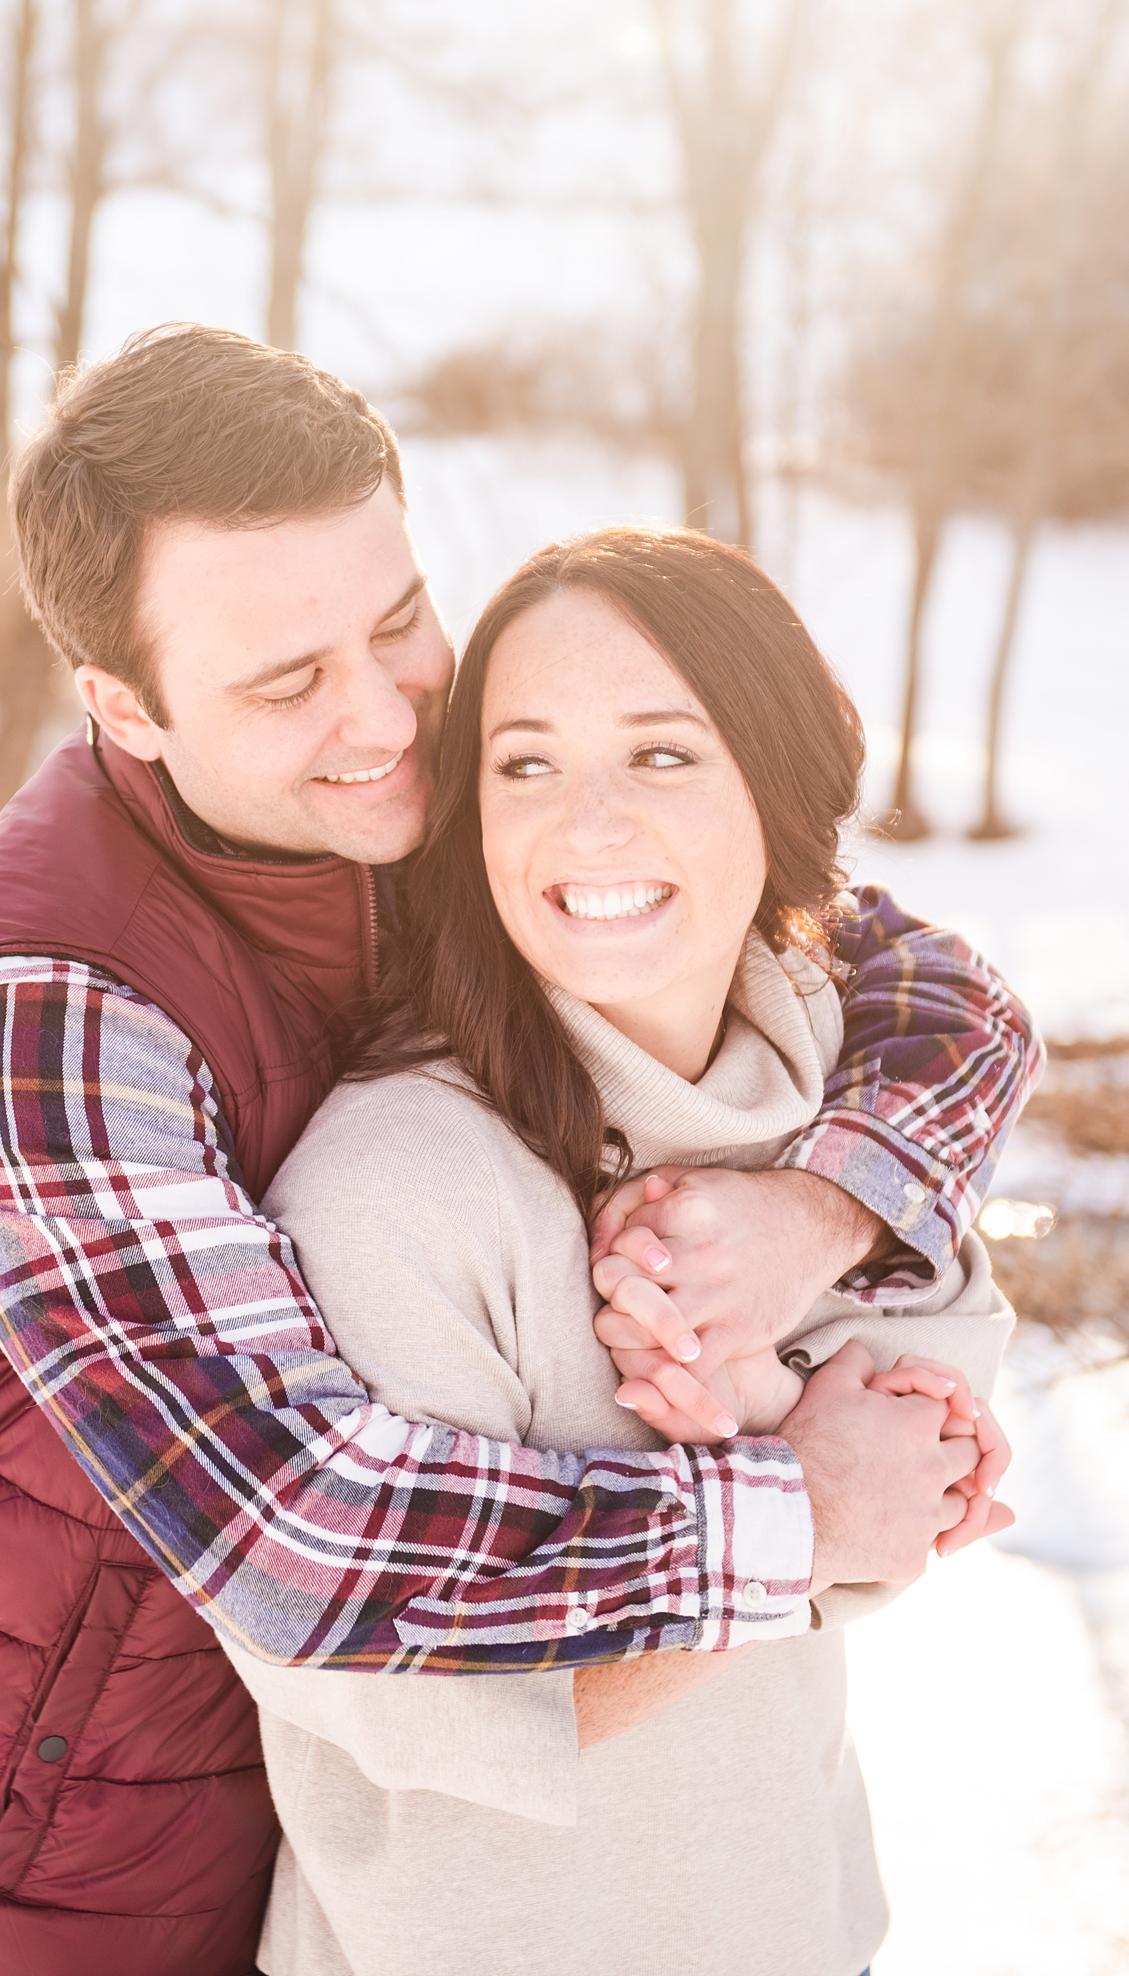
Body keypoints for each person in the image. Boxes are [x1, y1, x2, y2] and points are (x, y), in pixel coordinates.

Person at [0, 328, 1037, 1976]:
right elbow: (301, 1541)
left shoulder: (411, 793)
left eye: (397, 623)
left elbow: (908, 975)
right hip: (19, 1911)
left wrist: (817, 1208)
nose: (382, 716)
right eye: (289, 679)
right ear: (125, 709)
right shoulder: (44, 1028)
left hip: (309, 1861)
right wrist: (801, 1515)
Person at [228, 526, 1016, 1976]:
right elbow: (395, 1679)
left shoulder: (824, 1087)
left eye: (661, 755)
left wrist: (788, 1383)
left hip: (794, 1926)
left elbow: (951, 1392)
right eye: (527, 764)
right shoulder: (395, 1185)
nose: (584, 826)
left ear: (772, 789)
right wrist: (800, 1509)